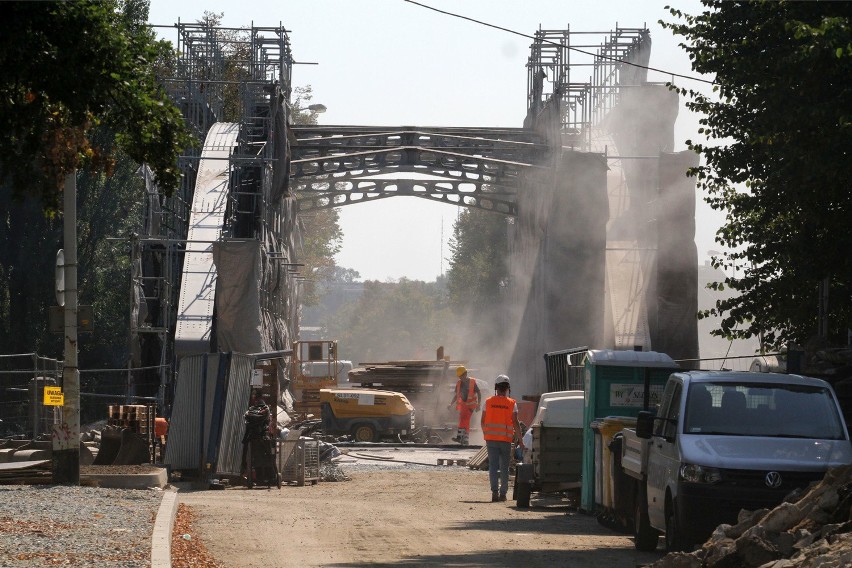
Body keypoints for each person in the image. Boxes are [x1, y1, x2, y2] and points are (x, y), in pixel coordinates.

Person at [481, 374, 523, 502]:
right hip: (505, 440)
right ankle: (503, 494)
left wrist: (486, 434)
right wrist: (520, 440)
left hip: (491, 440)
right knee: (504, 467)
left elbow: (482, 421)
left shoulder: (488, 402)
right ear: (507, 389)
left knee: (493, 466)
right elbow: (515, 423)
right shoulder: (512, 404)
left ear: (496, 387)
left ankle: (494, 492)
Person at [447, 365, 481, 445]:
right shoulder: (459, 383)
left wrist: (479, 404)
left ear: (465, 374)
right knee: (465, 420)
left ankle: (460, 437)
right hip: (463, 405)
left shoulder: (472, 382)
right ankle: (465, 440)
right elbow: (456, 395)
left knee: (464, 419)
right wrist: (451, 403)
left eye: (461, 376)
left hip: (471, 405)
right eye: (459, 376)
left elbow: (479, 393)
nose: (460, 378)